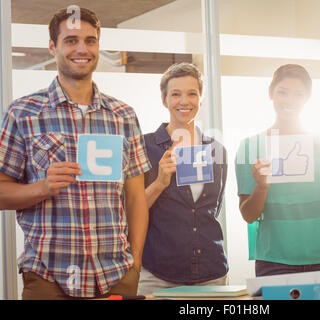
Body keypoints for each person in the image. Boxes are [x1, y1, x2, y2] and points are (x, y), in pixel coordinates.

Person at [0, 7, 150, 299]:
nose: (82, 48)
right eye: (70, 40)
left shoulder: (123, 115)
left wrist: (136, 261)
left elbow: (135, 197)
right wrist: (42, 187)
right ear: (52, 47)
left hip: (116, 275)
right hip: (47, 276)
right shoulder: (22, 113)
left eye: (90, 40)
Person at [235, 64, 320, 277]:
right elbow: (249, 215)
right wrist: (262, 187)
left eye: (298, 95)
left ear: (307, 99)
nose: (290, 100)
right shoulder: (250, 146)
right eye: (282, 92)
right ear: (270, 93)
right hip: (274, 261)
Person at [138, 62, 228, 294]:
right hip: (158, 274)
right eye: (175, 94)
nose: (184, 101)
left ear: (201, 99)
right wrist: (159, 183)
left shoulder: (216, 150)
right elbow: (131, 212)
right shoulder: (144, 147)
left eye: (192, 94)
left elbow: (213, 209)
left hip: (211, 271)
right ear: (164, 100)